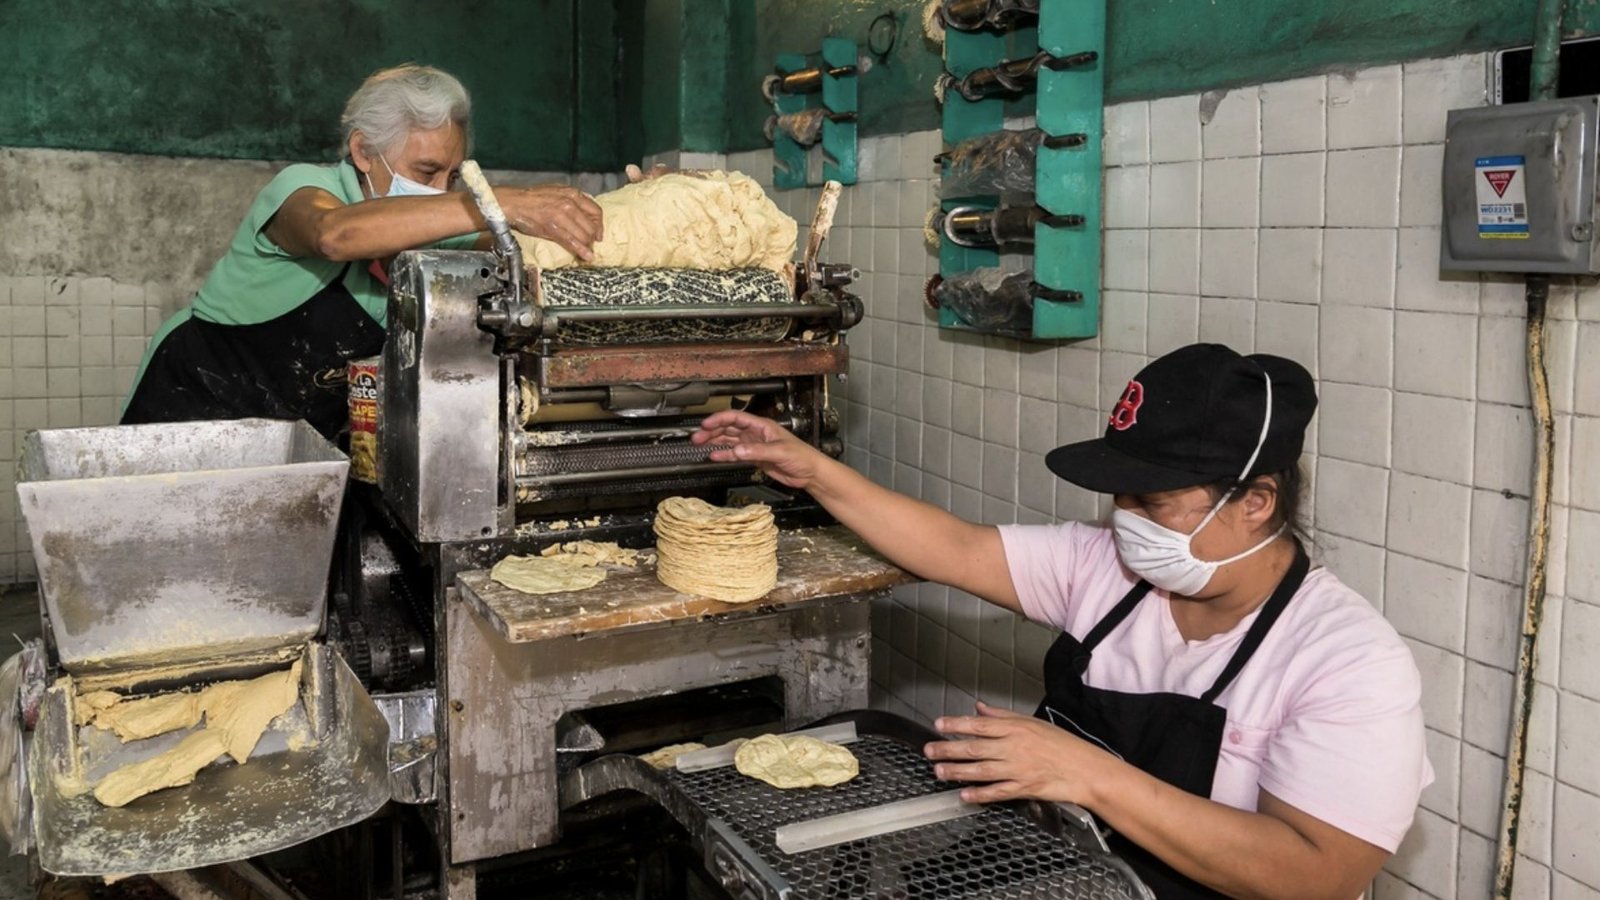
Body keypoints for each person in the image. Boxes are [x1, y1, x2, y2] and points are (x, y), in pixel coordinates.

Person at [691, 343, 1430, 899]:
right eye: (1121, 498)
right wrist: (813, 471)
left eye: (1154, 502)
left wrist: (1088, 776)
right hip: (1056, 876)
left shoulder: (1346, 661)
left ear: (1255, 502)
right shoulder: (1108, 569)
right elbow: (955, 548)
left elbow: (1317, 874)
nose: (1126, 521)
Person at [121, 64, 604, 438]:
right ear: (363, 152)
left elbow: (532, 241)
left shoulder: (436, 227)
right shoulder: (303, 189)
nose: (440, 191)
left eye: (452, 177)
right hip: (193, 410)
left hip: (299, 446)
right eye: (425, 171)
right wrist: (495, 203)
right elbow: (336, 235)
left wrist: (647, 207)